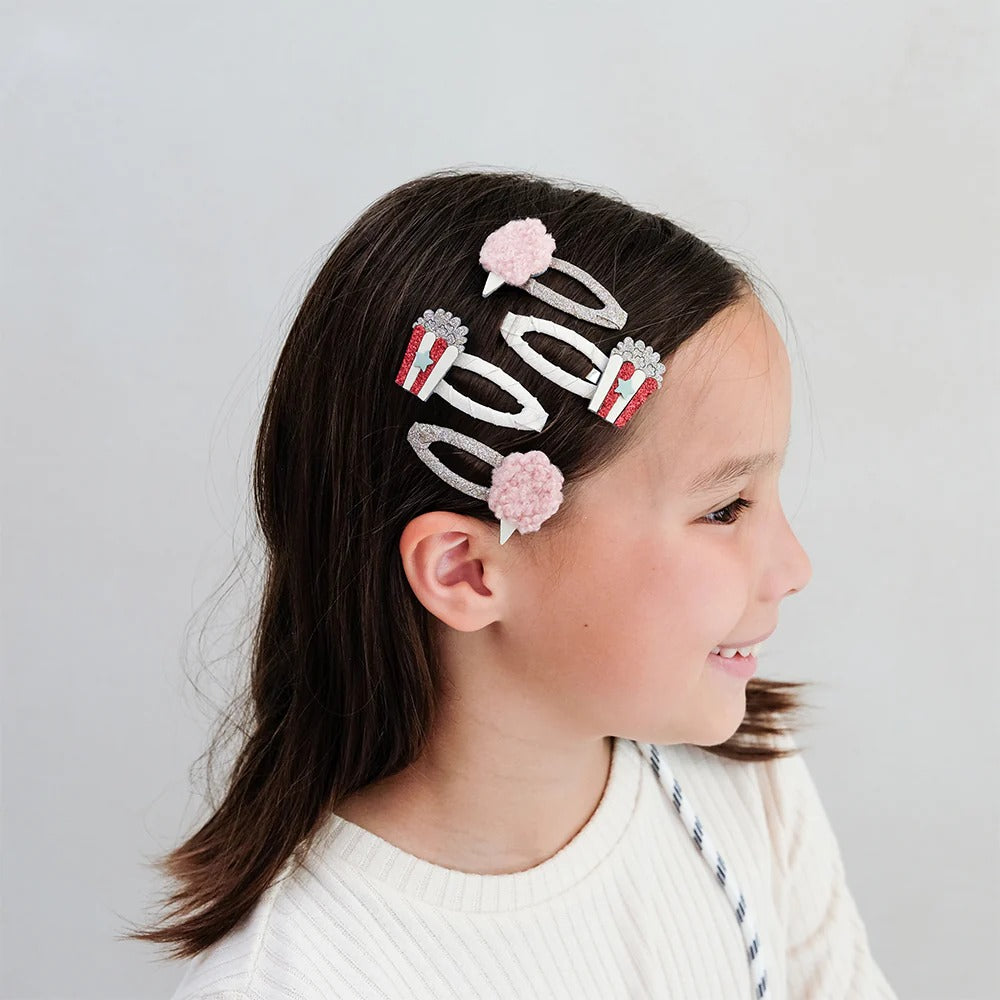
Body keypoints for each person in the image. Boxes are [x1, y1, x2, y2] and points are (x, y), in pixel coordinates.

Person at [124, 168, 898, 998]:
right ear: (465, 570)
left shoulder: (747, 786)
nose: (794, 568)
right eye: (725, 508)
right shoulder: (296, 978)